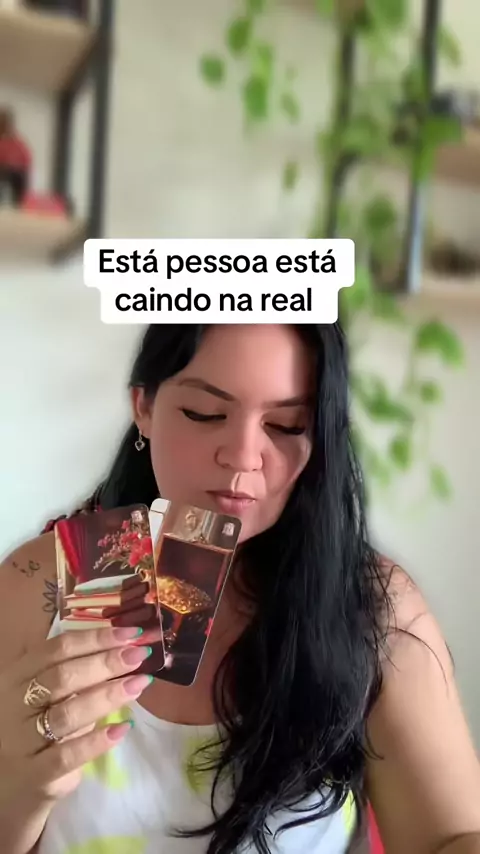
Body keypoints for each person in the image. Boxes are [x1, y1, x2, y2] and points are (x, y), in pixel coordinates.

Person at [0, 323, 479, 854]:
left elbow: (450, 836)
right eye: (205, 413)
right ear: (144, 406)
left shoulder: (373, 607)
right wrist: (18, 789)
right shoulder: (43, 581)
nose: (243, 456)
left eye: (287, 424)